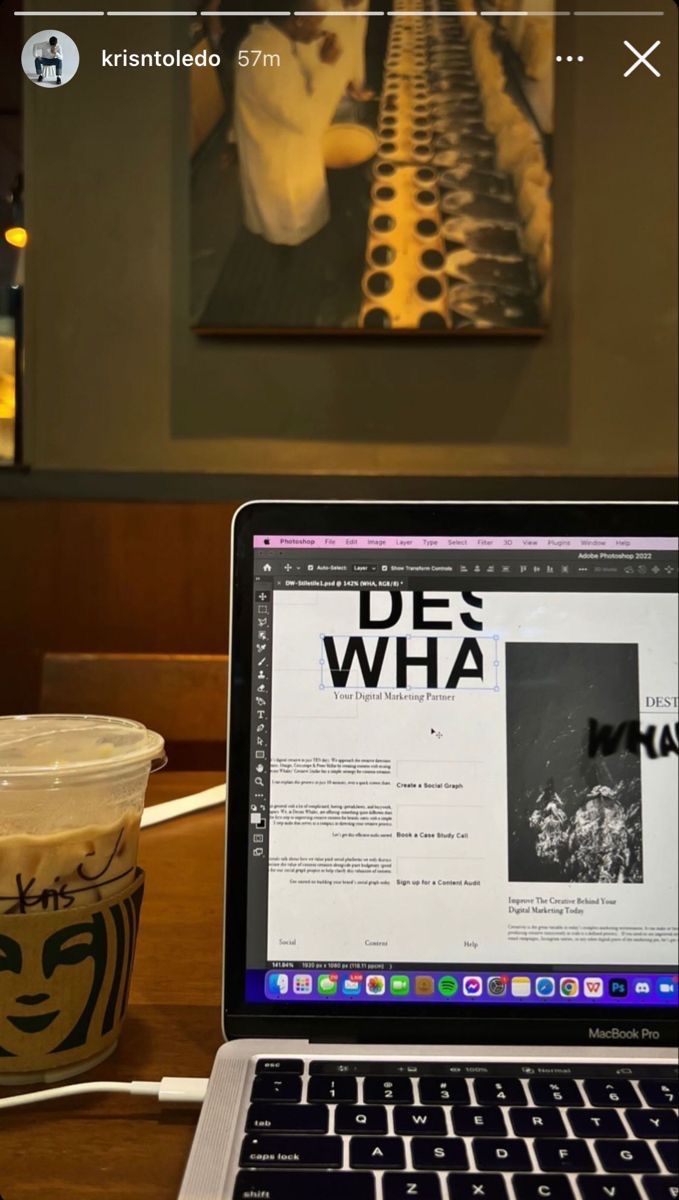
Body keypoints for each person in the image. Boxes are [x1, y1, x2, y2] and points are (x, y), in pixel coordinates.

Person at [234, 6, 342, 246]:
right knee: (293, 234)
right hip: (283, 169)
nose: (322, 25)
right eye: (317, 18)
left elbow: (297, 89)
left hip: (280, 151)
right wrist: (327, 65)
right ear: (299, 21)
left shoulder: (269, 40)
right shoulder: (265, 57)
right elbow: (310, 122)